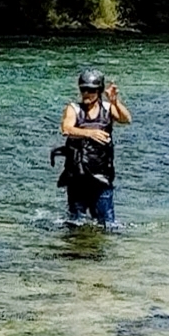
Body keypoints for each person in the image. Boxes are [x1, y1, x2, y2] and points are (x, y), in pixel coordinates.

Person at [53, 64, 131, 225]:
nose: (86, 94)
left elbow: (126, 119)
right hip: (77, 177)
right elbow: (66, 129)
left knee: (108, 225)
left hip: (102, 178)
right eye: (83, 90)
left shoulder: (108, 108)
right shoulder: (74, 109)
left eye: (91, 90)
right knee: (75, 223)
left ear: (99, 91)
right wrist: (90, 133)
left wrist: (115, 101)